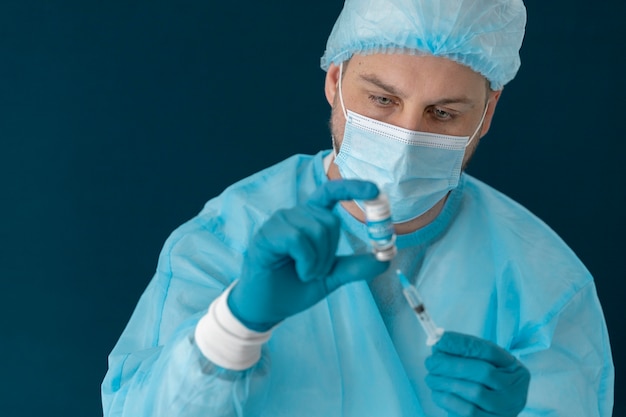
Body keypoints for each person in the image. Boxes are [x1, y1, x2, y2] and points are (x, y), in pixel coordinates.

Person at [101, 0, 615, 415]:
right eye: (382, 100)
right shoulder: (230, 237)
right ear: (335, 81)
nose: (407, 138)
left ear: (487, 113)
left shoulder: (544, 284)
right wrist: (236, 325)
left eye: (443, 113)